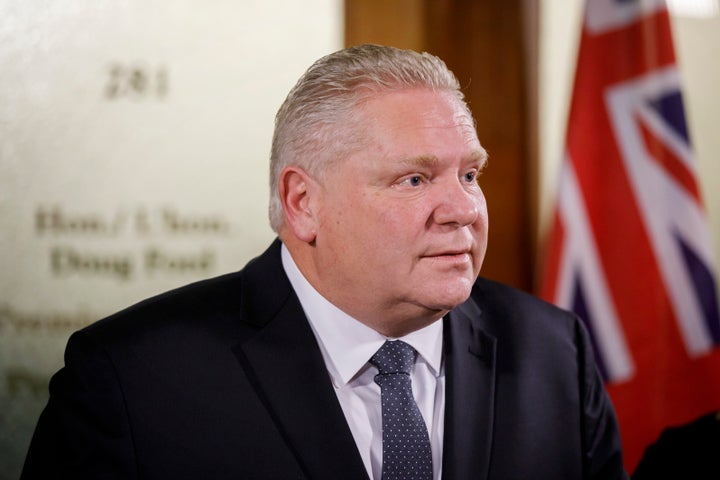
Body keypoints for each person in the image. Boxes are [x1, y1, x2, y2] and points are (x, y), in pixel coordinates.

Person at [21, 44, 628, 479]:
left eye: (469, 174)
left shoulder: (555, 354)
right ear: (303, 203)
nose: (463, 209)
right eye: (414, 179)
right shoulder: (132, 380)